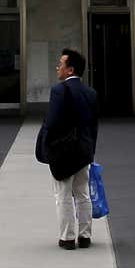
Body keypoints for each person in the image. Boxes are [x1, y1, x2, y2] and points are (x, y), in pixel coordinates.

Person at [35, 47, 99, 250]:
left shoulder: (59, 90)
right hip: (84, 150)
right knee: (83, 194)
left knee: (62, 195)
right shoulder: (90, 93)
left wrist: (48, 148)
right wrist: (90, 150)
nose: (57, 68)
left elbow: (52, 123)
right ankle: (85, 235)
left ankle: (68, 237)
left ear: (70, 70)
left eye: (60, 65)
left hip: (64, 152)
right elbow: (93, 126)